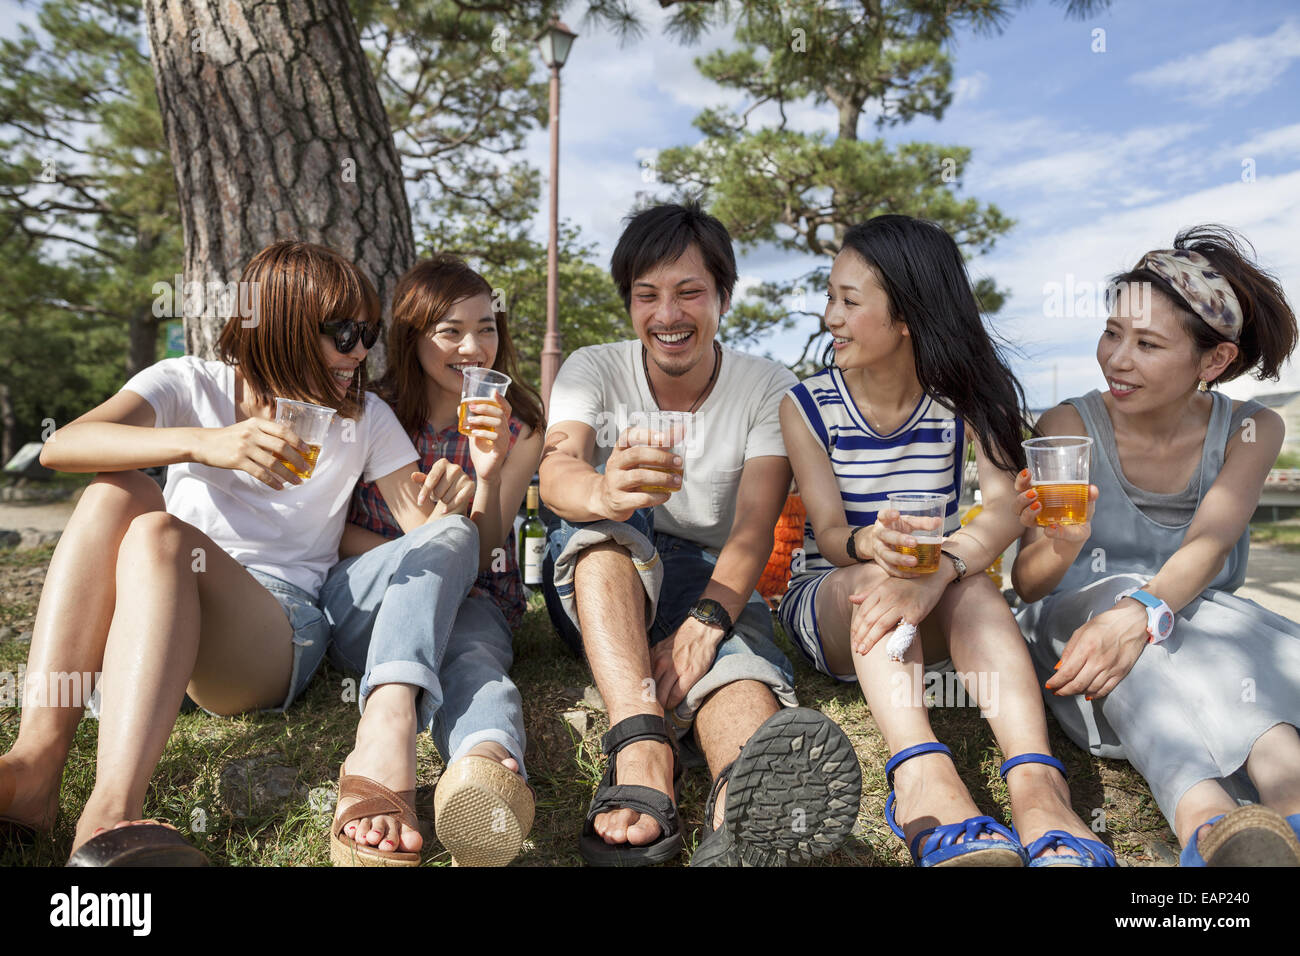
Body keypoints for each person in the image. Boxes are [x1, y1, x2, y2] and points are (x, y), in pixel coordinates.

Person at [0, 241, 474, 865]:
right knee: (120, 491)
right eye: (344, 333)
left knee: (157, 534)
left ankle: (109, 815)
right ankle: (34, 767)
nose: (360, 352)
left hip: (273, 630)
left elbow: (425, 529)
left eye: (369, 333)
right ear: (281, 326)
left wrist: (461, 494)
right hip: (154, 611)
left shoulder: (364, 417)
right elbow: (63, 446)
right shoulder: (189, 384)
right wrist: (205, 444)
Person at [778, 214, 1111, 867]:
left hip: (933, 601)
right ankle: (920, 777)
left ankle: (1038, 788)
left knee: (975, 588)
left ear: (906, 317)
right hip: (834, 601)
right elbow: (831, 533)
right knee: (889, 578)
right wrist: (874, 547)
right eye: (830, 298)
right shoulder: (808, 404)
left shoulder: (964, 399)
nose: (828, 317)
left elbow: (1004, 511)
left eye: (848, 301)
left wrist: (945, 564)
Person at [539, 201, 862, 867]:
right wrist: (602, 489)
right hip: (609, 579)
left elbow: (753, 527)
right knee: (603, 537)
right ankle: (642, 747)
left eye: (690, 292)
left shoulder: (767, 386)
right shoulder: (593, 368)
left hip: (714, 575)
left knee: (732, 652)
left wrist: (711, 618)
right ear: (628, 303)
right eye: (647, 295)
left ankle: (741, 811)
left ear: (722, 298)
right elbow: (555, 471)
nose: (668, 315)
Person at [1012, 225, 1300, 866]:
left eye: (1146, 344)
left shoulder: (1252, 428)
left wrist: (1141, 613)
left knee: (1204, 629)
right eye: (1112, 333)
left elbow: (1210, 542)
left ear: (1214, 361)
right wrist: (1063, 547)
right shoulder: (1068, 425)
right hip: (1078, 630)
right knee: (1130, 618)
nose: (1116, 358)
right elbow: (1029, 584)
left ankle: (1290, 802)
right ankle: (1211, 827)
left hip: (1195, 614)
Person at [323, 254, 543, 866]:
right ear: (411, 337)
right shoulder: (367, 408)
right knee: (445, 538)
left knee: (471, 643)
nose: (474, 346)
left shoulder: (520, 425)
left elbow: (490, 545)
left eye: (488, 327)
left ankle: (484, 762)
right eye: (450, 330)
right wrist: (423, 546)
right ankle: (386, 725)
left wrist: (491, 472)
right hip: (366, 600)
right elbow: (329, 533)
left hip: (476, 598)